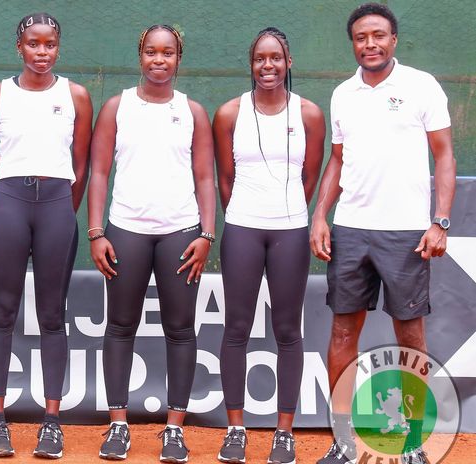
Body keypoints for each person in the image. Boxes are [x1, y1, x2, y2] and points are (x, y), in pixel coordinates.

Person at [310, 4, 455, 464]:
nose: (369, 44)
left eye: (378, 35)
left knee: (410, 336)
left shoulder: (421, 85)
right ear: (352, 43)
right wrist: (321, 216)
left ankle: (409, 442)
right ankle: (343, 440)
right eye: (360, 37)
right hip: (351, 230)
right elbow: (337, 159)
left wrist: (440, 220)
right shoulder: (342, 94)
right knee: (341, 334)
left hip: (406, 233)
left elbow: (445, 154)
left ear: (393, 40)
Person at [88, 24, 216, 463]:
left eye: (168, 53)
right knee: (120, 326)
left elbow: (204, 176)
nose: (159, 60)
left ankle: (174, 430)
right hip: (125, 230)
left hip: (181, 233)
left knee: (180, 329)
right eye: (150, 52)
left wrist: (206, 233)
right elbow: (99, 172)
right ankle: (118, 426)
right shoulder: (116, 107)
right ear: (139, 55)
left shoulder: (193, 110)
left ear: (179, 59)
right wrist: (97, 231)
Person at [0, 12, 93, 459]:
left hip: (57, 205)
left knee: (51, 315)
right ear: (19, 47)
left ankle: (51, 421)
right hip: (8, 204)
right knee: (2, 310)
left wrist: (60, 207)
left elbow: (80, 166)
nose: (41, 52)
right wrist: (4, 203)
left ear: (58, 48)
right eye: (33, 44)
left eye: (49, 44)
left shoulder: (76, 95)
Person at [212, 27, 325, 464]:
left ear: (289, 61)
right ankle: (236, 429)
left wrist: (291, 212)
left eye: (276, 57)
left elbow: (309, 177)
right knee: (235, 329)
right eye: (260, 58)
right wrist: (244, 213)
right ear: (251, 63)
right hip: (241, 227)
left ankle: (283, 432)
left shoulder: (310, 114)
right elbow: (225, 179)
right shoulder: (228, 113)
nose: (268, 65)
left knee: (287, 332)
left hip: (291, 231)